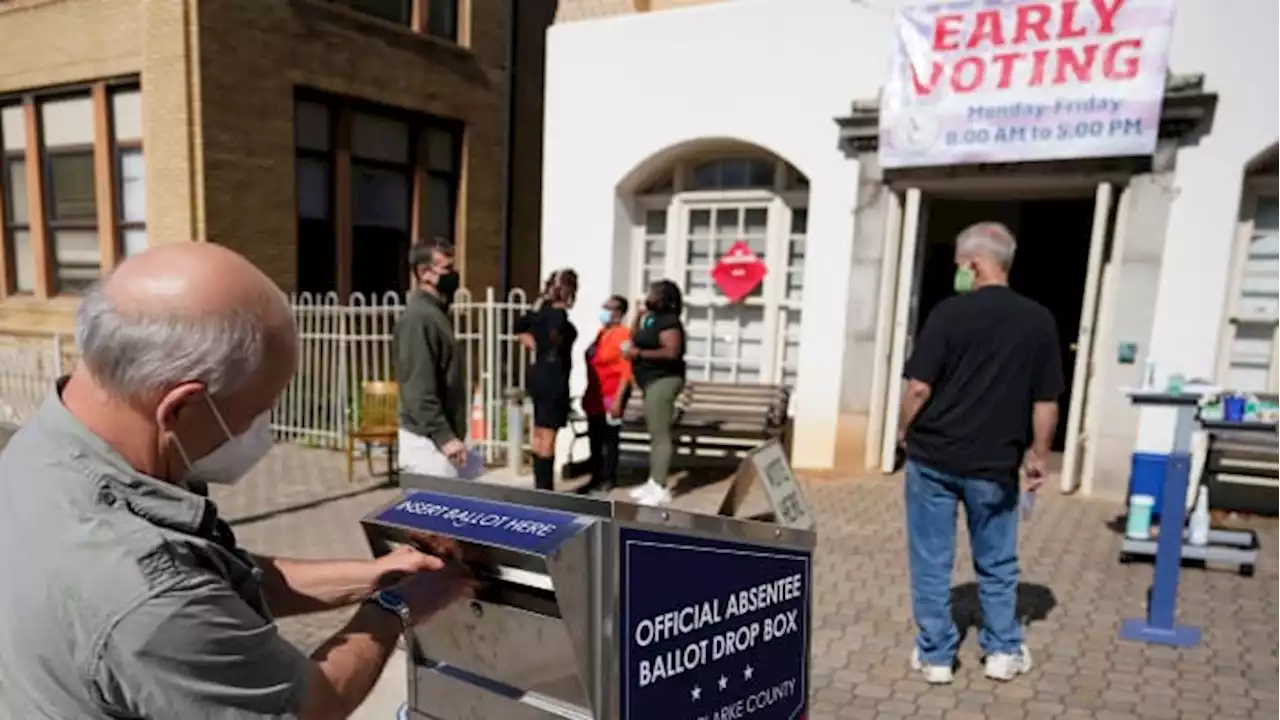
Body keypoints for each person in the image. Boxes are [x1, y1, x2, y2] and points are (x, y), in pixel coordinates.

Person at [0, 244, 471, 719]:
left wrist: (373, 576)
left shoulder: (38, 449)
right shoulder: (146, 595)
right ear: (180, 408)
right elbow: (309, 707)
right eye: (258, 412)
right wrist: (392, 609)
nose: (262, 433)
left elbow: (219, 582)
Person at [897, 222, 1062, 686]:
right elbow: (1045, 402)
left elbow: (918, 388)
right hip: (995, 462)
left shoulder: (948, 314)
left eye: (959, 266)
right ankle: (1002, 651)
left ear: (973, 264)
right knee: (997, 560)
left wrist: (903, 432)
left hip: (934, 458)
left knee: (931, 559)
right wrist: (1038, 455)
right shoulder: (1038, 321)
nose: (958, 274)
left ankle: (935, 657)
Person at [396, 239, 469, 478]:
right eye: (446, 269)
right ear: (424, 273)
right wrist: (445, 437)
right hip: (428, 446)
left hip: (439, 443)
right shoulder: (419, 319)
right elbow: (418, 388)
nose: (453, 275)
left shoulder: (435, 314)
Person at [624, 280, 687, 507]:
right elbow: (632, 337)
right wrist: (637, 315)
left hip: (664, 380)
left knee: (660, 434)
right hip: (649, 381)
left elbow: (671, 352)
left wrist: (639, 354)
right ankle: (653, 481)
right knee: (654, 431)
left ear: (663, 298)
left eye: (653, 292)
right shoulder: (650, 318)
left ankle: (660, 488)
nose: (648, 295)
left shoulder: (669, 322)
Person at [515, 269, 579, 491]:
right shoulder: (557, 316)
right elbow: (556, 338)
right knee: (549, 435)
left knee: (539, 432)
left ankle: (539, 484)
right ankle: (545, 489)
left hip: (538, 373)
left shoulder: (540, 312)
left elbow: (520, 327)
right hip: (554, 377)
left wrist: (536, 344)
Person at [577, 294, 633, 495]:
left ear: (619, 312)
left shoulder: (624, 335)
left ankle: (608, 477)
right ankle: (595, 476)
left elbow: (627, 369)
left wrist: (619, 399)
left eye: (610, 307)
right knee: (594, 437)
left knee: (609, 439)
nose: (605, 310)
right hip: (595, 393)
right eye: (604, 306)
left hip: (611, 393)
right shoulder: (602, 333)